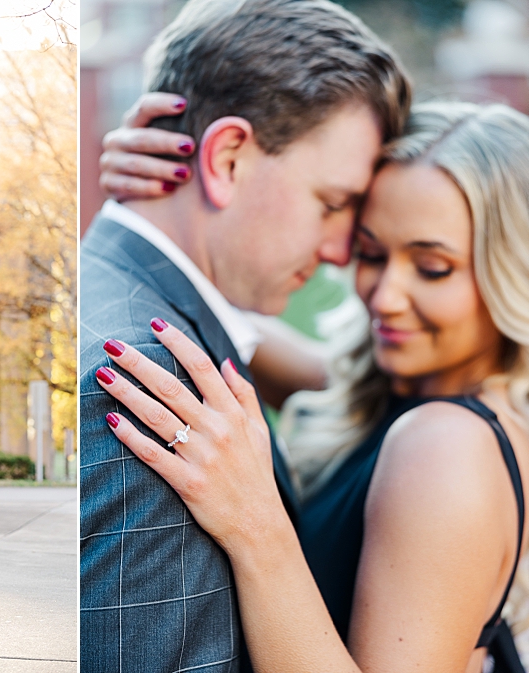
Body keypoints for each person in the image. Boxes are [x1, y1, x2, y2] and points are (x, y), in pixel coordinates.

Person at [95, 101, 529, 672]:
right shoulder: (403, 392)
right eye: (372, 253)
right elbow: (230, 320)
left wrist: (257, 525)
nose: (384, 296)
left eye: (432, 268)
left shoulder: (446, 445)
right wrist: (163, 198)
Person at [79, 0, 410, 670]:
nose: (345, 250)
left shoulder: (133, 305)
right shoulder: (156, 386)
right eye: (333, 203)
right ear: (227, 158)